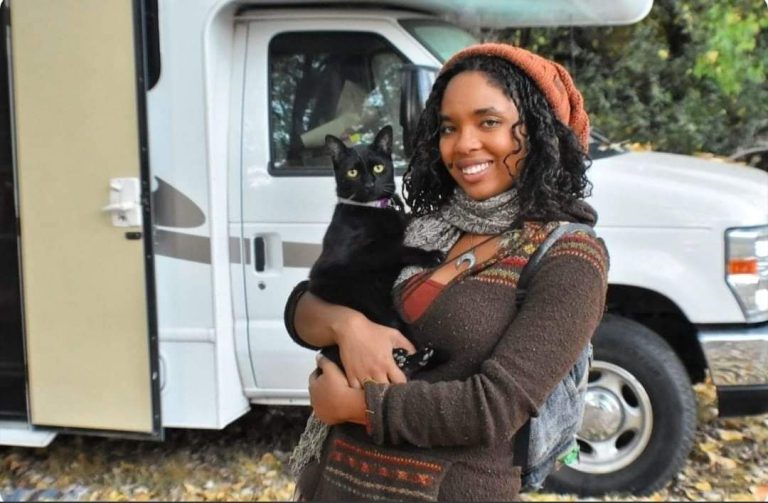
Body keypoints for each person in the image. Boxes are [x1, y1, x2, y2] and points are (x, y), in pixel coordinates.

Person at [284, 43, 609, 501]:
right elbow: (305, 303)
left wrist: (356, 406)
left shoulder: (570, 257)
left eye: (488, 122)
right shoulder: (424, 228)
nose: (464, 144)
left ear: (538, 131)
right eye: (448, 127)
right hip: (335, 484)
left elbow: (493, 408)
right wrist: (348, 325)